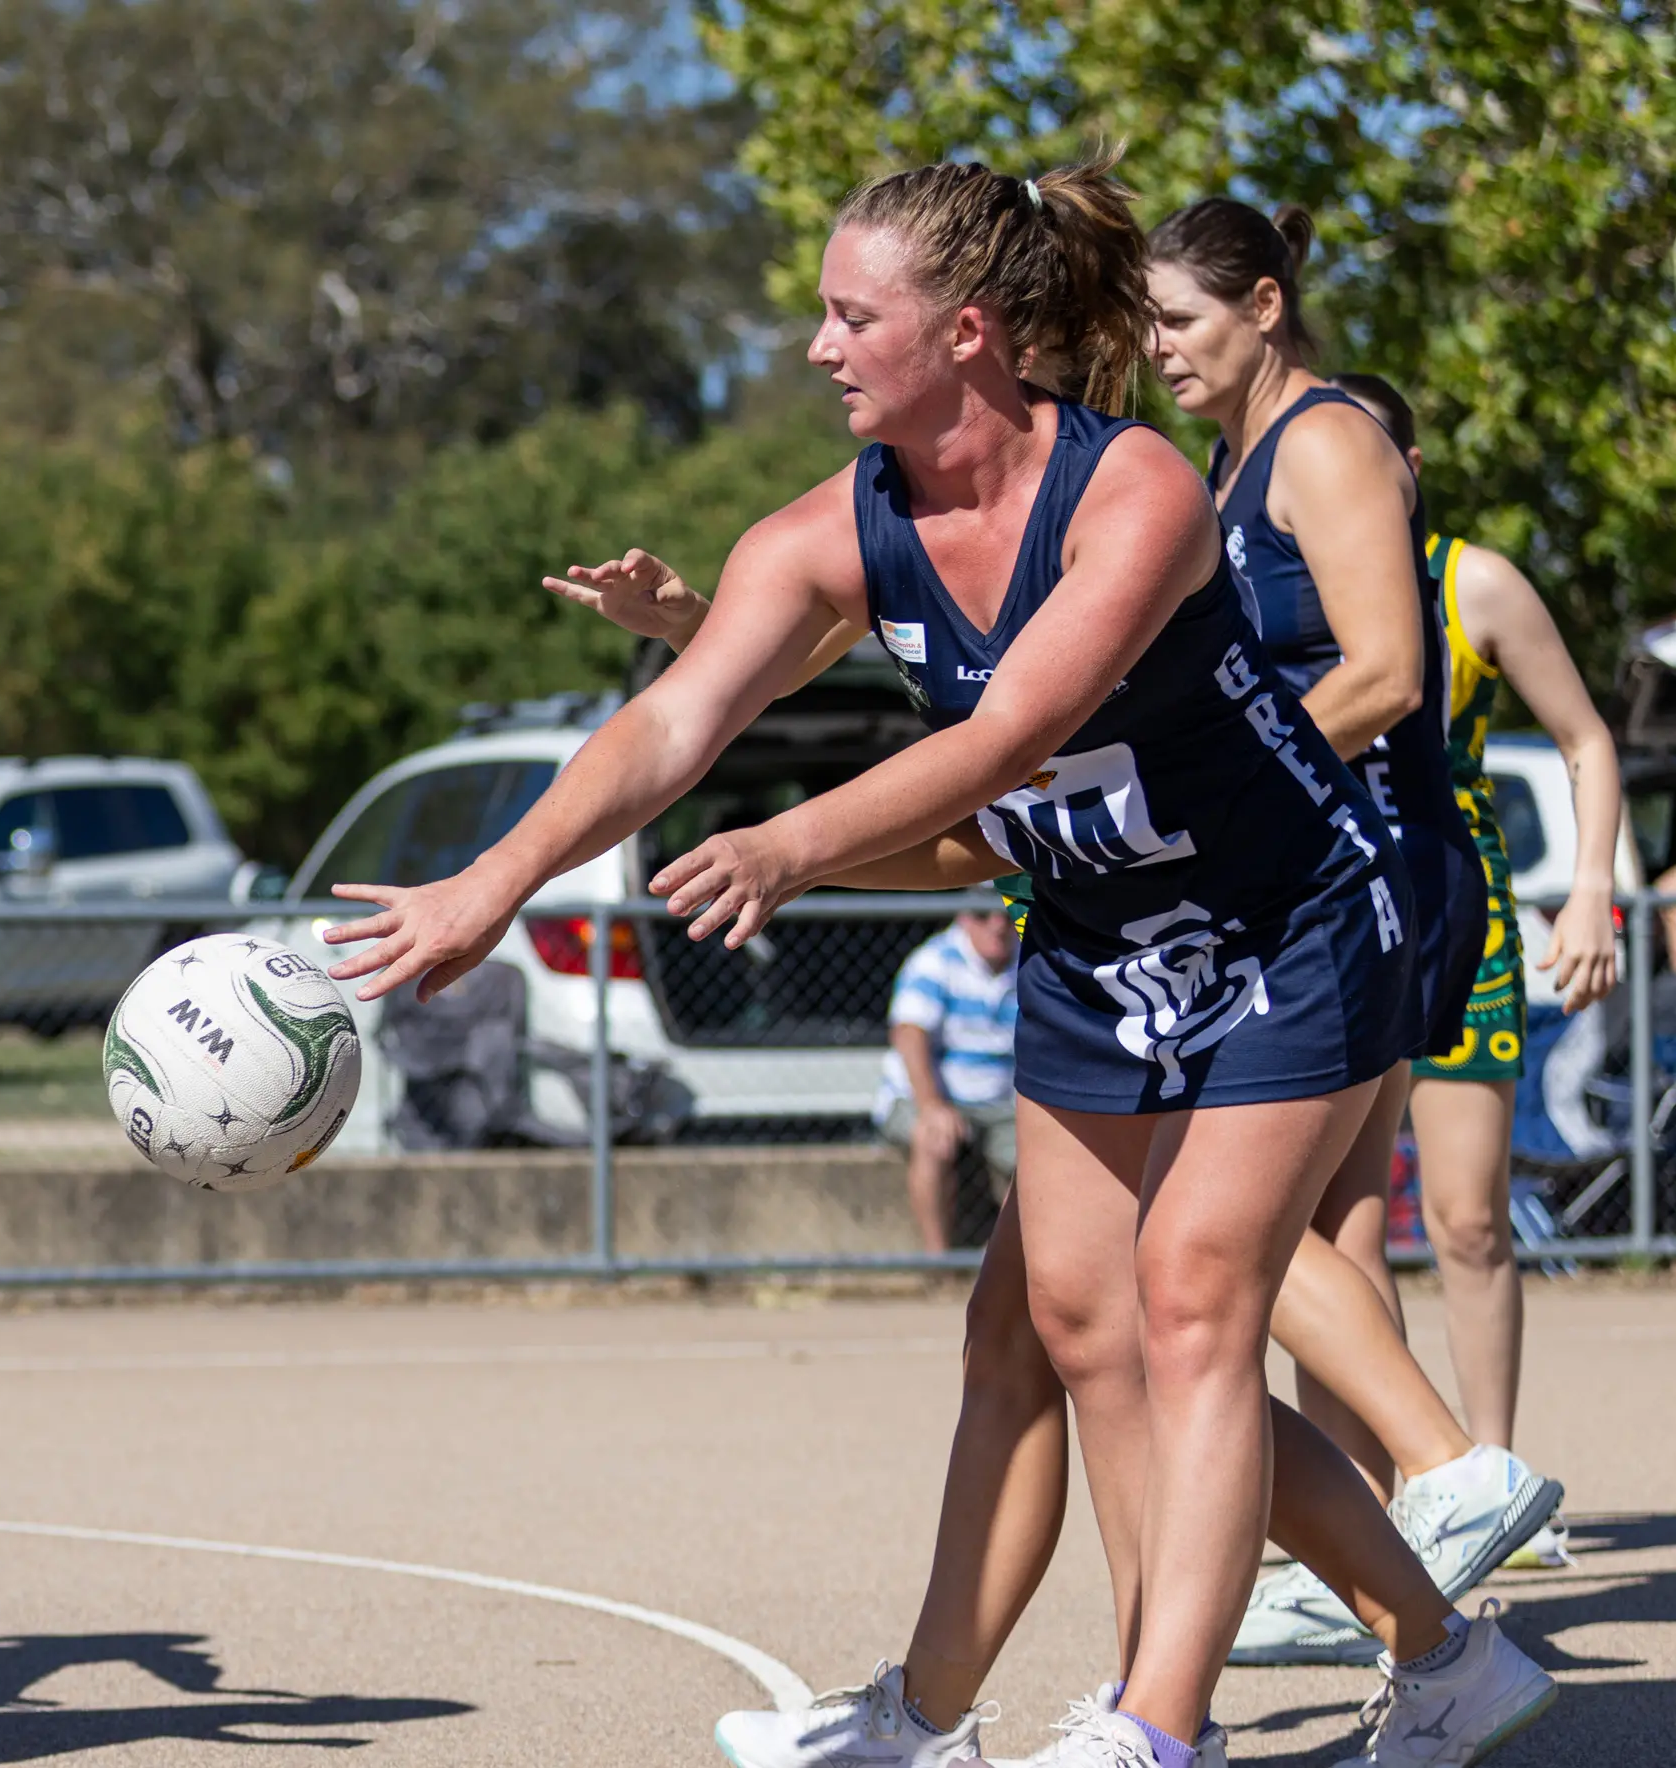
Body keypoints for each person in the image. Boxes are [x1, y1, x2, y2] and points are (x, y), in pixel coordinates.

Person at [344, 155, 1549, 1768]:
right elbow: (676, 717)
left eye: (853, 316)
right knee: (1070, 1321)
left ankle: (1153, 1727)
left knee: (1191, 1294)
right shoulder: (832, 531)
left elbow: (1012, 731)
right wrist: (483, 882)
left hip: (1291, 915)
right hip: (1099, 934)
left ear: (965, 330)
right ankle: (1421, 1660)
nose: (818, 347)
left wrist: (794, 842)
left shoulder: (1134, 493)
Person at [1146, 201, 1563, 1668]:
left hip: (1361, 874)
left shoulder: (1323, 443)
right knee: (1321, 1224)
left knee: (1191, 1213)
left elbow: (1384, 673)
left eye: (1179, 323)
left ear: (1263, 304)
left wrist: (1199, 806)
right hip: (1308, 872)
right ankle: (1385, 1569)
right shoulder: (1225, 460)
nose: (1157, 351)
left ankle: (1450, 1470)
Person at [1334, 374, 1620, 1563]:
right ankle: (1389, 1491)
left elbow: (1585, 737)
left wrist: (1594, 887)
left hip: (1458, 920)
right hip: (1329, 922)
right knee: (1342, 1230)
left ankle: (1491, 1482)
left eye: (1367, 448)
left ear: (1408, 459)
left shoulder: (1471, 579)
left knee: (1464, 1219)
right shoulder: (1263, 572)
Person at [877, 906, 1020, 1252]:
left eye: (1006, 912)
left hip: (1003, 1102)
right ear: (964, 918)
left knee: (1042, 1155)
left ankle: (1008, 1270)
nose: (997, 925)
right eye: (984, 914)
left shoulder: (1034, 959)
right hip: (935, 1095)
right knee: (932, 1137)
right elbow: (909, 1035)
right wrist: (932, 1105)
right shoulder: (934, 960)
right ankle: (937, 1264)